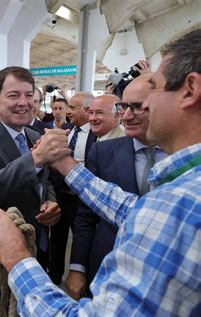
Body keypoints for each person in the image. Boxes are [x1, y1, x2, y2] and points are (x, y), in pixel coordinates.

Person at [0, 29, 201, 317]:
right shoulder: (181, 195)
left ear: (190, 90)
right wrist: (65, 165)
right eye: (13, 95)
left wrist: (15, 257)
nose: (144, 106)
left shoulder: (180, 202)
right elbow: (133, 209)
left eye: (155, 88)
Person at [0, 66, 66, 317]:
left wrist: (50, 202)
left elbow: (44, 180)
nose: (24, 103)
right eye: (14, 95)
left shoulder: (33, 134)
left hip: (34, 248)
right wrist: (35, 158)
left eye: (29, 95)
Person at [67, 73, 168, 300]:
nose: (128, 116)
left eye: (138, 107)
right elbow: (86, 215)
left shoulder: (185, 157)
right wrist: (77, 267)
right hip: (106, 268)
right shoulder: (103, 152)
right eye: (124, 107)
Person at [47, 92, 96, 285]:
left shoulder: (95, 133)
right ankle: (54, 276)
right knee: (57, 240)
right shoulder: (66, 129)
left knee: (81, 240)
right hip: (61, 196)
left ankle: (80, 278)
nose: (68, 112)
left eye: (72, 108)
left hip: (82, 199)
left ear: (86, 110)